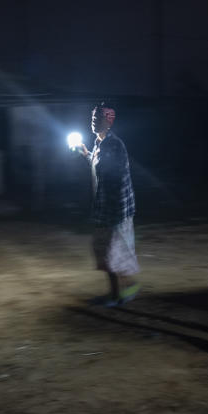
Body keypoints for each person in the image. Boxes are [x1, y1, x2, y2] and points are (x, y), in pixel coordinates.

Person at [78, 102, 140, 307]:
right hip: (105, 208)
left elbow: (118, 178)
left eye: (98, 118)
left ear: (109, 121)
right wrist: (87, 154)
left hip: (116, 210)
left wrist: (116, 213)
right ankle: (121, 291)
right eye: (92, 117)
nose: (93, 121)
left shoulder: (115, 145)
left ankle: (120, 293)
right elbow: (99, 167)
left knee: (112, 253)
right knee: (105, 251)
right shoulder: (99, 143)